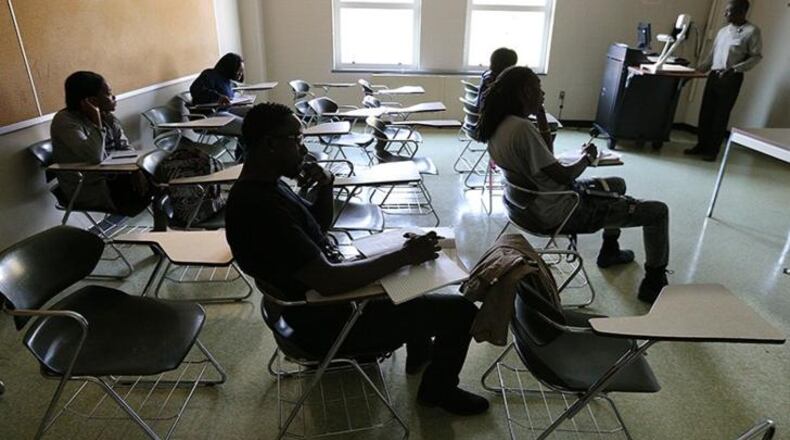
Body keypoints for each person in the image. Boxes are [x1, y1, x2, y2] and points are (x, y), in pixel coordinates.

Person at [224, 102, 489, 416]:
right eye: (297, 140)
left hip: (311, 304)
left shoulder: (263, 188)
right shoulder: (261, 208)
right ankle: (438, 391)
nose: (303, 148)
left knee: (412, 275)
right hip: (327, 322)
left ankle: (420, 351)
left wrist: (325, 185)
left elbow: (316, 229)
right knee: (461, 311)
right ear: (270, 144)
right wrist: (402, 256)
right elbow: (331, 281)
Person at [477, 66, 670, 303]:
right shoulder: (522, 129)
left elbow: (547, 155)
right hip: (562, 210)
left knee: (617, 184)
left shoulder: (500, 125)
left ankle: (610, 250)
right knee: (657, 212)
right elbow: (564, 176)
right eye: (539, 88)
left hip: (527, 208)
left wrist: (541, 117)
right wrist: (587, 159)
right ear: (525, 92)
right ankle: (654, 281)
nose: (543, 94)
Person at [50, 71, 150, 216]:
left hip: (118, 177)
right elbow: (95, 157)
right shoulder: (65, 121)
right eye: (109, 94)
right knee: (161, 179)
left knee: (159, 169)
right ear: (92, 101)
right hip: (89, 186)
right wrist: (96, 121)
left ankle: (165, 226)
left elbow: (126, 148)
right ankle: (180, 219)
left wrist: (137, 169)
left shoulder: (108, 118)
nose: (114, 97)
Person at [685, 0, 762, 162]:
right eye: (726, 10)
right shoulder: (723, 31)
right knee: (706, 112)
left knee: (720, 115)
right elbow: (712, 56)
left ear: (742, 11)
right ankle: (701, 145)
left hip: (731, 78)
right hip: (714, 76)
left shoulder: (751, 31)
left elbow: (756, 57)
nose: (725, 14)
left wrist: (735, 69)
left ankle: (712, 151)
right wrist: (696, 71)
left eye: (729, 11)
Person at [190, 52, 249, 159]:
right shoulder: (209, 75)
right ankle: (243, 159)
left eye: (242, 71)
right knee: (248, 127)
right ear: (230, 67)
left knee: (255, 113)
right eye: (239, 70)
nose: (240, 74)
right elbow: (195, 89)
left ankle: (246, 156)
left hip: (224, 110)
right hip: (209, 115)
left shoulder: (227, 80)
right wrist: (218, 97)